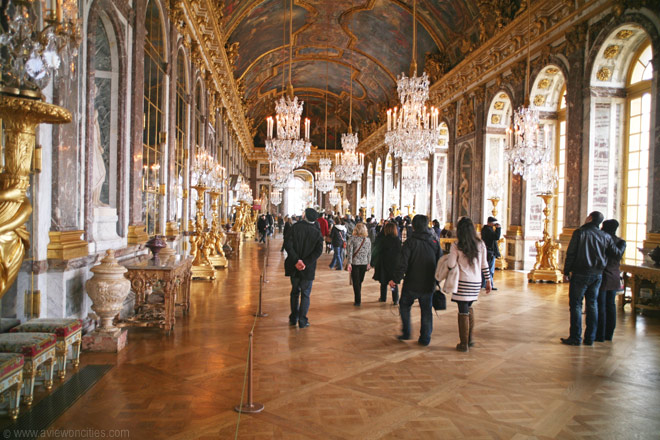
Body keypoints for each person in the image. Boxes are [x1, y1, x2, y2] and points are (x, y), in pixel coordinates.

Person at [562, 211, 625, 346]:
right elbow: (616, 254)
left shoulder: (580, 232)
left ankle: (575, 337)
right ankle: (590, 338)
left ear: (590, 218)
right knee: (592, 305)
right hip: (597, 275)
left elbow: (571, 253)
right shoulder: (605, 236)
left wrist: (566, 271)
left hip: (580, 273)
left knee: (577, 305)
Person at [389, 214, 442, 346]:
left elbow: (403, 264)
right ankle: (425, 338)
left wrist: (395, 279)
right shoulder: (434, 242)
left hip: (412, 282)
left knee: (405, 305)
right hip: (428, 283)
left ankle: (406, 332)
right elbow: (440, 262)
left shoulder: (410, 242)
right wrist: (438, 280)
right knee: (426, 310)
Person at [447, 217, 492, 352]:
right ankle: (469, 339)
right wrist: (488, 280)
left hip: (462, 281)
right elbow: (485, 264)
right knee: (468, 307)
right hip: (476, 282)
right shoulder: (481, 244)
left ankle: (464, 343)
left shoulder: (457, 245)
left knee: (463, 310)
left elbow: (450, 264)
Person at [284, 208, 324, 328]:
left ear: (305, 216)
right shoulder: (317, 232)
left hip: (294, 265)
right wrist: (305, 262)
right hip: (308, 267)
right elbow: (318, 251)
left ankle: (293, 318)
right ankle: (302, 321)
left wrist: (297, 260)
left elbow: (287, 244)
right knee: (306, 294)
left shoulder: (295, 227)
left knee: (295, 292)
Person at [596, 219, 626, 342]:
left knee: (601, 305)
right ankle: (609, 334)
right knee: (611, 305)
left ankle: (600, 335)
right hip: (614, 276)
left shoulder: (602, 241)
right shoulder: (621, 242)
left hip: (602, 275)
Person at [373, 222, 401, 304]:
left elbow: (378, 251)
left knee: (383, 281)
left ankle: (383, 297)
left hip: (383, 263)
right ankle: (395, 299)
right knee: (393, 282)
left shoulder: (383, 239)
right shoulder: (397, 240)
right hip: (394, 264)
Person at [346, 223, 372, 306]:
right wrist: (368, 262)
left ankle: (358, 300)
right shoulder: (367, 240)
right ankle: (358, 298)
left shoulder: (352, 239)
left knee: (356, 282)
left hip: (355, 263)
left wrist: (349, 263)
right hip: (364, 263)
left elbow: (349, 252)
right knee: (359, 281)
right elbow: (369, 253)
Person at [481, 216, 501, 290]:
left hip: (487, 251)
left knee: (486, 269)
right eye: (493, 223)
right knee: (490, 270)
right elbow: (496, 237)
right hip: (490, 252)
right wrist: (498, 229)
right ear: (490, 223)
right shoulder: (488, 230)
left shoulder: (486, 229)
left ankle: (484, 284)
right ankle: (489, 285)